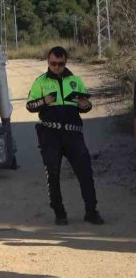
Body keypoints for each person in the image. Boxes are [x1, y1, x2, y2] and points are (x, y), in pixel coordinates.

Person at [26, 46, 104, 225]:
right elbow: (30, 106)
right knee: (52, 174)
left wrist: (84, 105)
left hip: (73, 134)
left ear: (65, 62)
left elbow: (87, 107)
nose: (57, 67)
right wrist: (44, 101)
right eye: (53, 63)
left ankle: (91, 211)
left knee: (85, 172)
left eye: (60, 64)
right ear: (48, 62)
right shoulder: (40, 82)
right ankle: (59, 213)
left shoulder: (75, 80)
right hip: (50, 134)